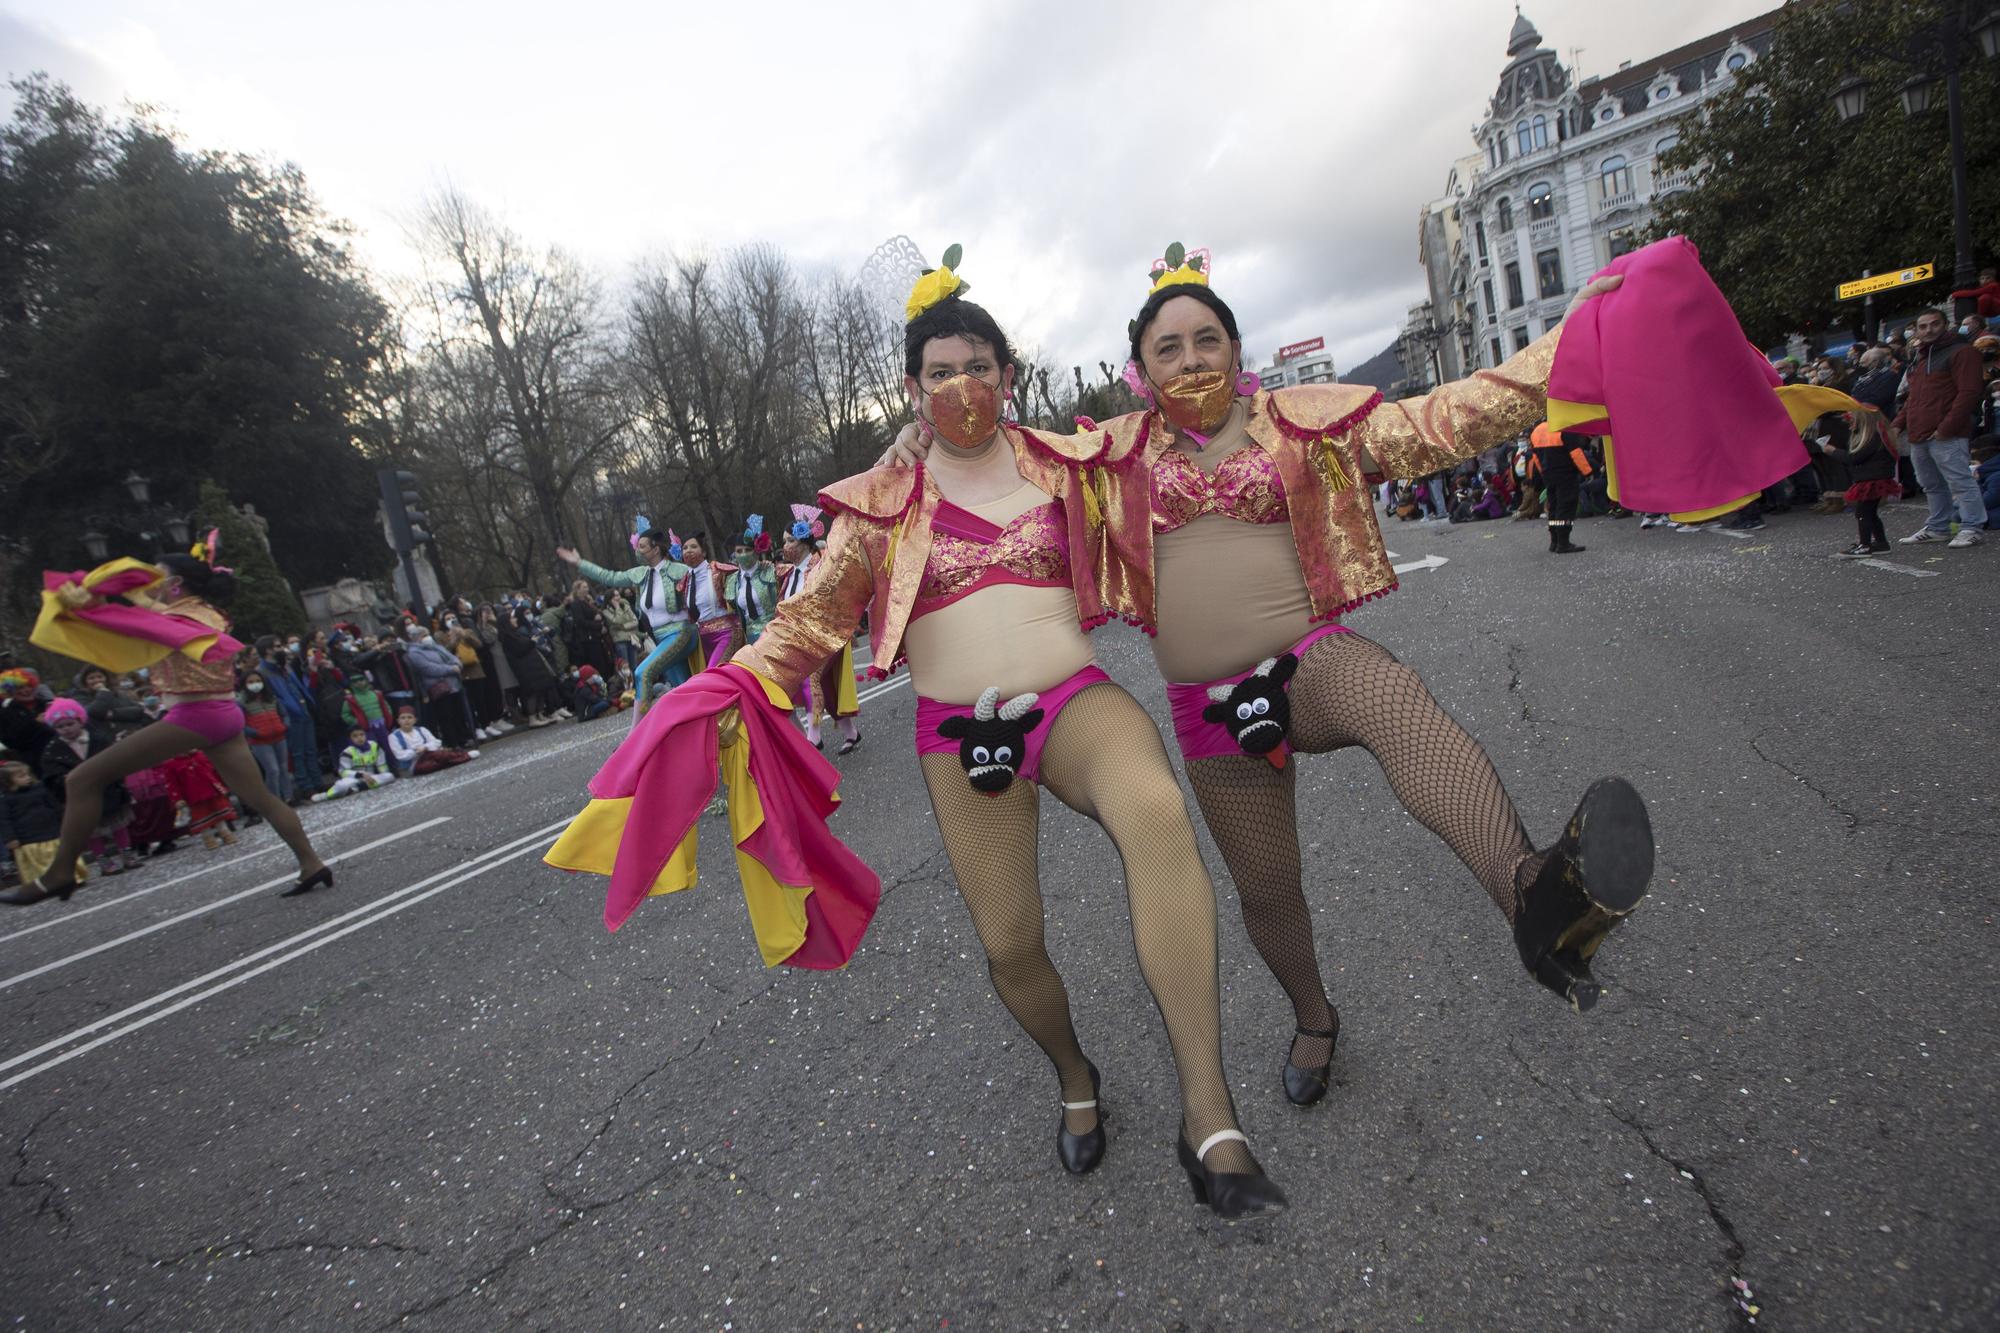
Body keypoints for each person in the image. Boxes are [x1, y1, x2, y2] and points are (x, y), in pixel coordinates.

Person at [551, 261, 1287, 1218]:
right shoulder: (878, 506)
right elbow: (811, 621)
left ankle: (1210, 1116)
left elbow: (1187, 456)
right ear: (910, 386)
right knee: (1010, 943)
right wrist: (735, 682)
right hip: (957, 735)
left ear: (1008, 372)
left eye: (977, 365)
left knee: (1155, 812)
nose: (960, 386)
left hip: (1075, 703)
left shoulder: (1073, 462)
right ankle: (1074, 1073)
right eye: (939, 371)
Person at [7, 545, 332, 903]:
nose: (151, 584)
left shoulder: (184, 618)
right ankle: (311, 862)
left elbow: (147, 621)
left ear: (175, 583)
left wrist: (94, 609)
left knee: (82, 778)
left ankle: (60, 873)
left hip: (197, 715)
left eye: (157, 577)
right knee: (262, 799)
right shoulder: (202, 612)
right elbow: (155, 613)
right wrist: (121, 595)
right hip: (222, 714)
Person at [1894, 308, 1988, 548]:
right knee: (1932, 485)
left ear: (1945, 325)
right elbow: (1913, 398)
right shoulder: (1920, 357)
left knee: (1960, 481)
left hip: (1945, 432)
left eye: (1934, 324)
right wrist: (1897, 426)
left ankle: (1972, 527)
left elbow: (1968, 393)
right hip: (1920, 432)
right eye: (1923, 326)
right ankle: (1938, 526)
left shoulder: (1962, 352)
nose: (1928, 330)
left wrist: (1947, 427)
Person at [558, 527, 695, 689]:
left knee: (642, 673)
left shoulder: (679, 570)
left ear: (655, 549)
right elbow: (609, 576)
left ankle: (642, 716)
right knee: (683, 685)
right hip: (660, 637)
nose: (638, 550)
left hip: (681, 632)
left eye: (642, 546)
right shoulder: (641, 574)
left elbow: (699, 590)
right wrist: (580, 563)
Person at [780, 511, 861, 754]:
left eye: (790, 541)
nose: (785, 546)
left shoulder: (821, 565)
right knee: (826, 686)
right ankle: (851, 733)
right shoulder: (788, 573)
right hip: (802, 637)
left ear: (804, 541)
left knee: (810, 677)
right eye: (784, 541)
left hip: (827, 634)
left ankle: (813, 736)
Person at [38, 698, 141, 874]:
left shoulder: (97, 739)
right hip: (80, 796)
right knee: (91, 830)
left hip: (108, 789)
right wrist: (65, 780)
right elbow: (51, 775)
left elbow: (114, 759)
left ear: (80, 721)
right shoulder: (52, 750)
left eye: (70, 723)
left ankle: (127, 853)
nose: (66, 729)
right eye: (60, 726)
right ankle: (103, 859)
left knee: (118, 823)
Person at [1, 761, 86, 893]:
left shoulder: (40, 789)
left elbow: (55, 806)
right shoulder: (7, 800)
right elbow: (5, 821)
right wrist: (10, 838)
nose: (27, 778)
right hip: (28, 837)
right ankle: (47, 884)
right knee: (40, 862)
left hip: (51, 829)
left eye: (27, 774)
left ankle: (71, 877)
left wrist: (65, 821)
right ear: (9, 781)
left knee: (59, 855)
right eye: (21, 776)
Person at [1828, 408, 1901, 558]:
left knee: (1863, 512)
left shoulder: (1872, 437)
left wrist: (1833, 451)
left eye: (1853, 419)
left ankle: (1864, 545)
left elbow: (1854, 458)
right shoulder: (1875, 435)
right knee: (1869, 512)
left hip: (1873, 479)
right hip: (1873, 478)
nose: (1850, 422)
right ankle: (1881, 543)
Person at [257, 638, 324, 798]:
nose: (283, 649)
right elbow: (274, 697)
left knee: (310, 749)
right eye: (278, 646)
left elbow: (298, 686)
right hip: (290, 715)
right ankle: (306, 785)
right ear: (268, 650)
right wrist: (288, 711)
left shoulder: (284, 666)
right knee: (298, 752)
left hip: (303, 710)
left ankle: (317, 781)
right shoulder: (264, 672)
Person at [403, 625, 479, 747]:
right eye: (424, 636)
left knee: (459, 713)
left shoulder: (436, 647)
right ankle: (453, 742)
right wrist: (450, 669)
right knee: (447, 716)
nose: (427, 638)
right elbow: (428, 668)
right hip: (439, 687)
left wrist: (456, 664)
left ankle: (464, 737)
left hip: (454, 685)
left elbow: (453, 658)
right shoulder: (414, 653)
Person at [678, 533, 746, 669]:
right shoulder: (685, 581)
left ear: (703, 551)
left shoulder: (720, 571)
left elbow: (743, 577)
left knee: (712, 673)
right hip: (703, 639)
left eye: (693, 546)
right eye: (685, 548)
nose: (688, 550)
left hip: (727, 632)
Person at [1529, 421, 1592, 552]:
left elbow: (1535, 458)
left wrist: (1543, 473)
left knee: (1553, 508)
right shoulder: (1563, 428)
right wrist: (1587, 471)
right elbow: (1576, 453)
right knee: (1566, 507)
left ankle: (1554, 541)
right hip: (1565, 474)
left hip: (1548, 475)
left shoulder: (1536, 431)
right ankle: (1563, 543)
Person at [161, 747, 239, 850]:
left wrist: (221, 784)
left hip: (212, 790)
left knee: (218, 812)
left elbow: (214, 771)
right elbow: (172, 783)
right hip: (193, 796)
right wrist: (177, 798)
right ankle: (208, 838)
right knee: (201, 818)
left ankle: (225, 832)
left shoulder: (200, 755)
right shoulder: (171, 764)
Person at [240, 668, 293, 802]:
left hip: (279, 737)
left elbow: (284, 714)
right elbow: (240, 724)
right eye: (251, 682)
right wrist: (256, 733)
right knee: (272, 770)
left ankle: (289, 797)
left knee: (283, 768)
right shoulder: (241, 702)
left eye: (258, 681)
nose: (255, 684)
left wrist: (285, 725)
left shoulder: (271, 698)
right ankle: (275, 801)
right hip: (260, 742)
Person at [386, 705, 477, 775]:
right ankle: (457, 759)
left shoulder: (421, 729)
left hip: (430, 754)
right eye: (403, 718)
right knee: (429, 766)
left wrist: (425, 747)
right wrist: (416, 751)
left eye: (409, 717)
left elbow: (436, 742)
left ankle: (465, 756)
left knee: (439, 755)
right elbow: (400, 755)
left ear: (415, 720)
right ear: (398, 721)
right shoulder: (394, 736)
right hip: (413, 764)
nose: (406, 720)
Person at [729, 522, 782, 642]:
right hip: (751, 637)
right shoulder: (732, 581)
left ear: (756, 551)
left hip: (774, 633)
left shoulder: (770, 571)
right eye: (739, 551)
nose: (743, 554)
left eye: (747, 550)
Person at [314, 726, 394, 800]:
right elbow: (343, 772)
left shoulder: (374, 746)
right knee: (342, 785)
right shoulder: (347, 752)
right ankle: (326, 795)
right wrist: (360, 775)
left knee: (389, 776)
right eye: (355, 736)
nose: (359, 738)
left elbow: (382, 764)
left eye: (361, 734)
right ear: (350, 739)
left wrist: (383, 774)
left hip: (371, 776)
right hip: (354, 778)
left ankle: (356, 789)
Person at [0, 668, 54, 772]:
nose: (26, 690)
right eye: (20, 688)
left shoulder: (45, 704)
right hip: (34, 762)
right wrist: (35, 723)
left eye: (29, 686)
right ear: (10, 691)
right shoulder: (5, 712)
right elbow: (11, 740)